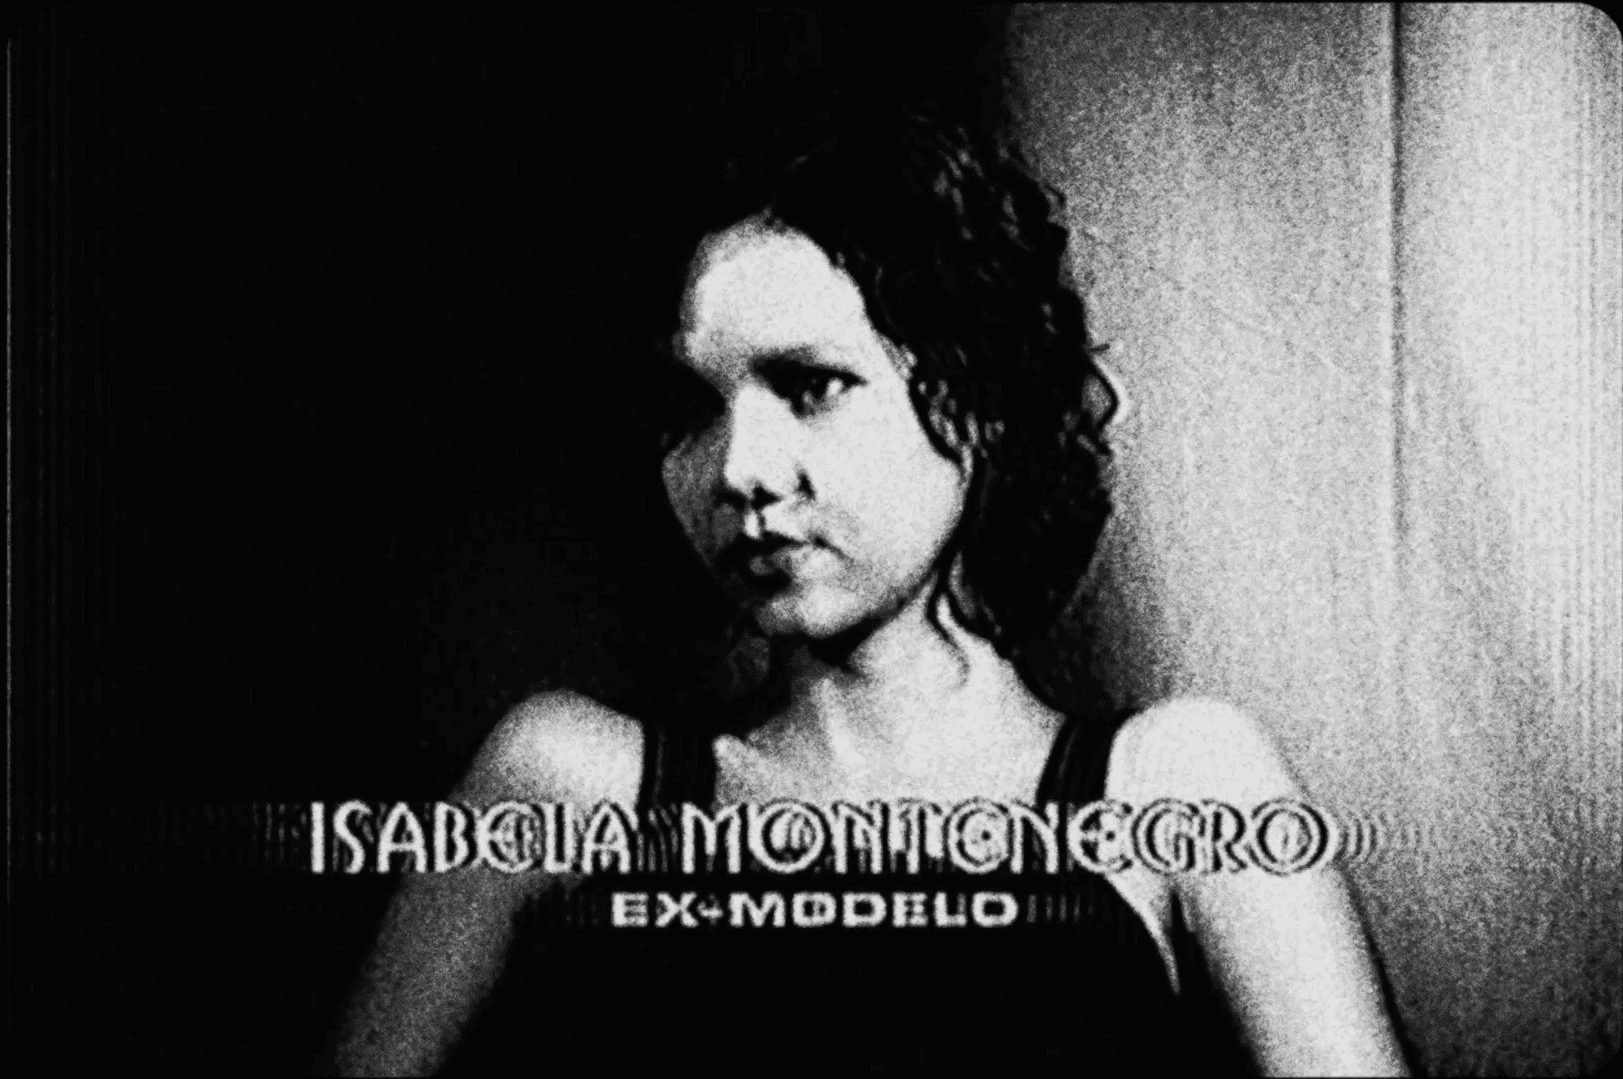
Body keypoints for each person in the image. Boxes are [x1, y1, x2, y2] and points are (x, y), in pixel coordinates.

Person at [330, 110, 1409, 1075]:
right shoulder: (567, 784)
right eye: (689, 408)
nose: (741, 468)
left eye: (811, 385)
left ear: (979, 404)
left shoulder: (1176, 784)